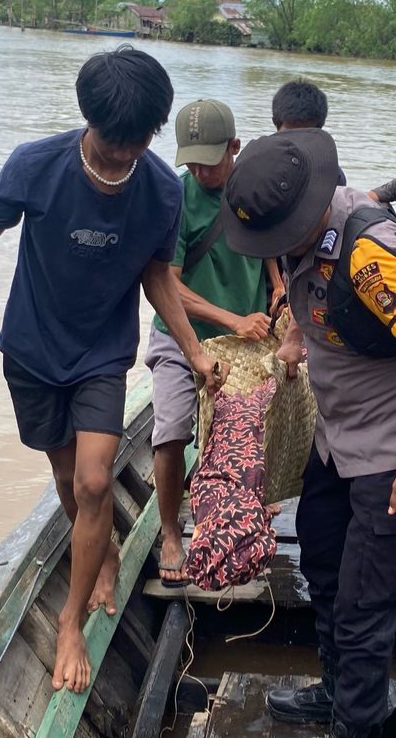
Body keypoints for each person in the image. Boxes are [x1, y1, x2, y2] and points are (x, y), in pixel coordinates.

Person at [0, 47, 225, 695]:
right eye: (111, 142)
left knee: (94, 482)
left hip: (101, 357)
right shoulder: (36, 165)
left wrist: (195, 351)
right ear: (88, 120)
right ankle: (105, 553)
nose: (121, 157)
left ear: (154, 133)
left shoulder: (163, 189)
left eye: (136, 143)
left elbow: (156, 276)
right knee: (66, 477)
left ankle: (68, 623)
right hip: (31, 354)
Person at [219, 128, 396, 738]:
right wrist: (294, 336)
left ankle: (359, 723)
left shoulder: (374, 259)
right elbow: (310, 300)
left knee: (366, 613)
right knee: (321, 567)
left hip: (394, 456)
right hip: (334, 442)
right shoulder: (304, 237)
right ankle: (337, 694)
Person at [146, 98, 280, 585]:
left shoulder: (255, 193)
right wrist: (232, 317)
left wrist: (277, 287)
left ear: (236, 149)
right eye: (193, 162)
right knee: (172, 429)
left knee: (251, 440)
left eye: (212, 160)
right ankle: (170, 532)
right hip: (181, 339)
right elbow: (171, 286)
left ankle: (240, 519)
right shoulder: (176, 200)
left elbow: (269, 245)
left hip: (245, 347)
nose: (202, 171)